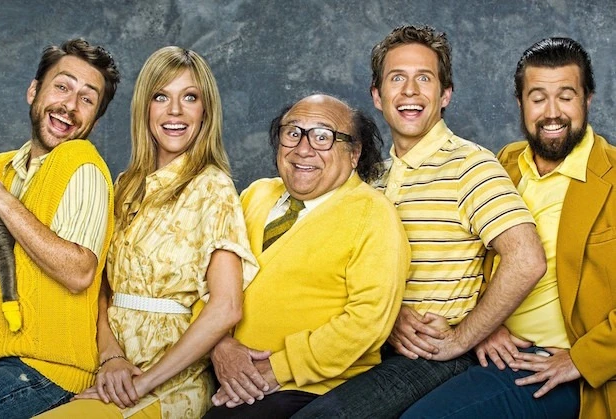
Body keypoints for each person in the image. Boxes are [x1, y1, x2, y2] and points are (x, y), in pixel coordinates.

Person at [293, 25, 547, 418]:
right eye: (397, 78)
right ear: (377, 95)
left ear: (445, 95)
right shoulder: (370, 178)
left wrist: (461, 338)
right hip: (367, 345)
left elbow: (526, 259)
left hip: (431, 357)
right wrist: (389, 315)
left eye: (424, 78)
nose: (410, 91)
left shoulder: (470, 165)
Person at [38, 46, 258, 418]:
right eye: (161, 97)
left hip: (168, 380)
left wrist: (142, 384)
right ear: (145, 107)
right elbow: (102, 288)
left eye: (190, 97)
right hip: (104, 364)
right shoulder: (125, 185)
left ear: (205, 111)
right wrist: (111, 357)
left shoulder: (213, 187)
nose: (175, 111)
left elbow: (226, 307)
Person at [403, 37, 616, 419]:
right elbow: (473, 259)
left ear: (588, 99)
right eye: (538, 98)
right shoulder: (505, 163)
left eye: (566, 96)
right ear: (520, 103)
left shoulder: (612, 175)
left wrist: (582, 360)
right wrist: (487, 326)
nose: (552, 113)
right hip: (492, 350)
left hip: (561, 367)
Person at [202, 94, 410, 418]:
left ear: (354, 153)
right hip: (222, 370)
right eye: (293, 133)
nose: (303, 149)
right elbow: (205, 278)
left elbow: (367, 322)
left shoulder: (374, 214)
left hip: (309, 390)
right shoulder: (255, 195)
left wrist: (277, 369)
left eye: (323, 137)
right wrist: (218, 345)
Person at [0, 38, 119, 418]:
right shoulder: (1, 168)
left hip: (47, 371)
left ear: (95, 119)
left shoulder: (81, 164)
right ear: (34, 91)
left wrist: (3, 202)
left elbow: (80, 272)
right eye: (62, 86)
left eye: (87, 99)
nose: (70, 105)